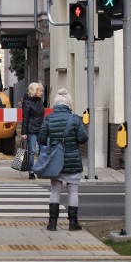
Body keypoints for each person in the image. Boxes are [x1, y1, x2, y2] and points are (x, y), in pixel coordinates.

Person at [38, 88, 88, 231]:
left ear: (55, 104)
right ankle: (73, 223)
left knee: (55, 191)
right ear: (68, 104)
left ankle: (52, 224)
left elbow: (41, 139)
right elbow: (83, 138)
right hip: (72, 160)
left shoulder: (49, 119)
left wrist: (52, 140)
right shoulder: (75, 119)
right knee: (73, 191)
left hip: (55, 161)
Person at [21, 82, 44, 180]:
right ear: (34, 91)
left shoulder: (40, 101)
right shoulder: (27, 102)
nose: (41, 92)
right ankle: (31, 171)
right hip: (31, 130)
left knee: (43, 150)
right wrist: (24, 132)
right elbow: (25, 118)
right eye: (39, 90)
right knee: (32, 151)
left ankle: (39, 170)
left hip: (41, 128)